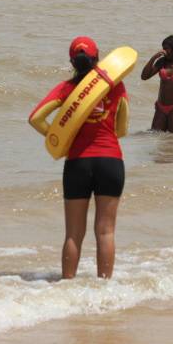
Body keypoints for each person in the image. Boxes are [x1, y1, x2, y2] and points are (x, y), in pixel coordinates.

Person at [29, 37, 129, 279]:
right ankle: (104, 288)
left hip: (78, 163)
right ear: (98, 58)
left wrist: (60, 138)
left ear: (72, 61)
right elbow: (122, 129)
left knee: (73, 234)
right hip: (110, 161)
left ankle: (67, 288)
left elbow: (36, 118)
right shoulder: (115, 86)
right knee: (105, 232)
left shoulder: (65, 89)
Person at [140, 35, 173, 132]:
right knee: (154, 134)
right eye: (163, 48)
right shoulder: (162, 62)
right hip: (161, 106)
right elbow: (144, 76)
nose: (163, 51)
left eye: (166, 48)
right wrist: (154, 58)